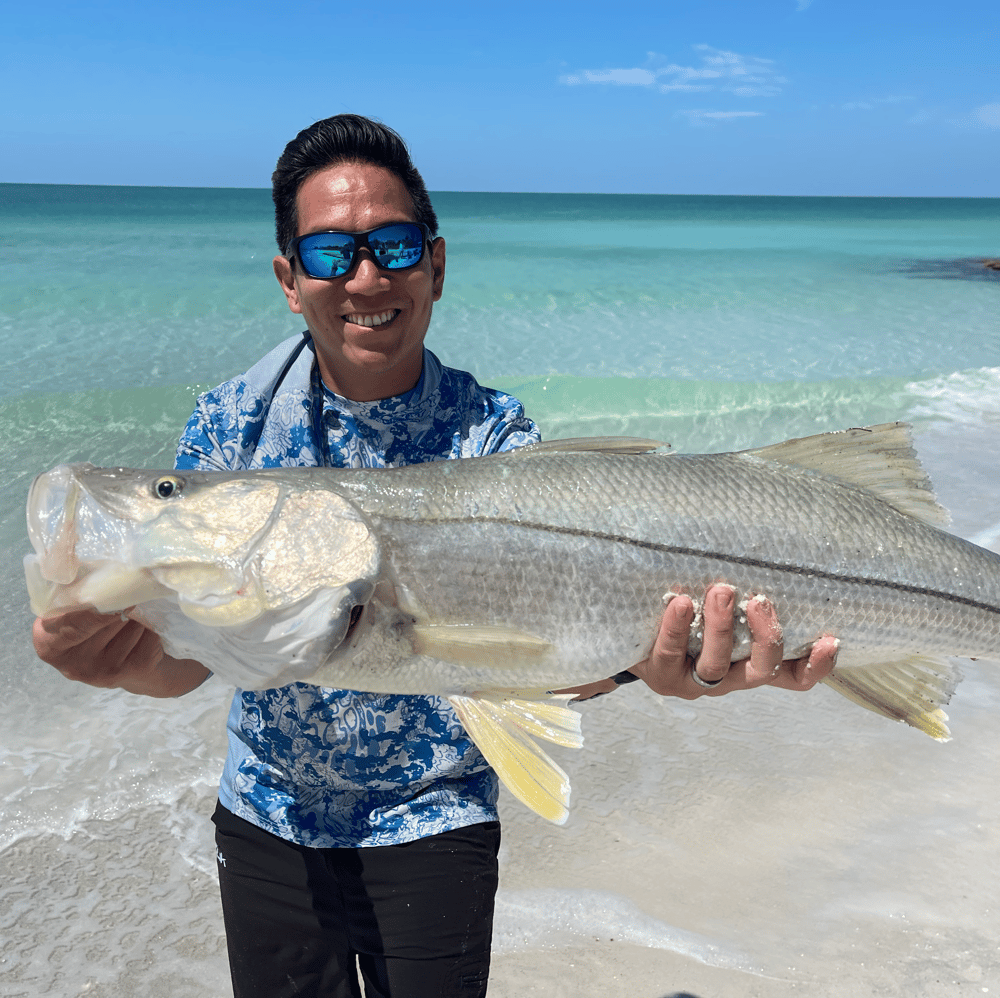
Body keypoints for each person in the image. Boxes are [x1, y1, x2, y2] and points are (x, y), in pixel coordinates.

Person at [33, 114, 838, 998]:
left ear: (438, 264)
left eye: (395, 244)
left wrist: (661, 669)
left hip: (437, 820)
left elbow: (555, 662)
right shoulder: (233, 426)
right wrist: (115, 662)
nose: (367, 276)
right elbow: (189, 665)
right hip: (267, 816)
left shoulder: (499, 439)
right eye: (331, 253)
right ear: (289, 280)